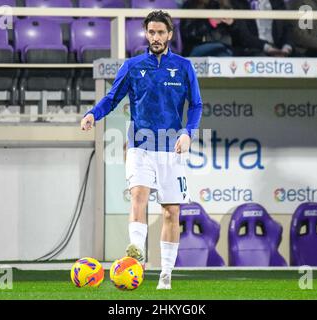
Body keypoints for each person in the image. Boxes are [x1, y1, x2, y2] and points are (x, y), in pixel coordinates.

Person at [80, 10, 203, 290]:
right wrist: (92, 114)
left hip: (172, 149)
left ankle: (166, 275)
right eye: (151, 32)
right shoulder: (133, 66)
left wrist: (188, 133)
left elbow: (196, 105)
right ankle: (136, 259)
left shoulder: (184, 66)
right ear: (146, 34)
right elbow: (112, 99)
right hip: (140, 145)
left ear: (170, 35)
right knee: (138, 195)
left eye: (161, 32)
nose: (156, 37)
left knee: (171, 212)